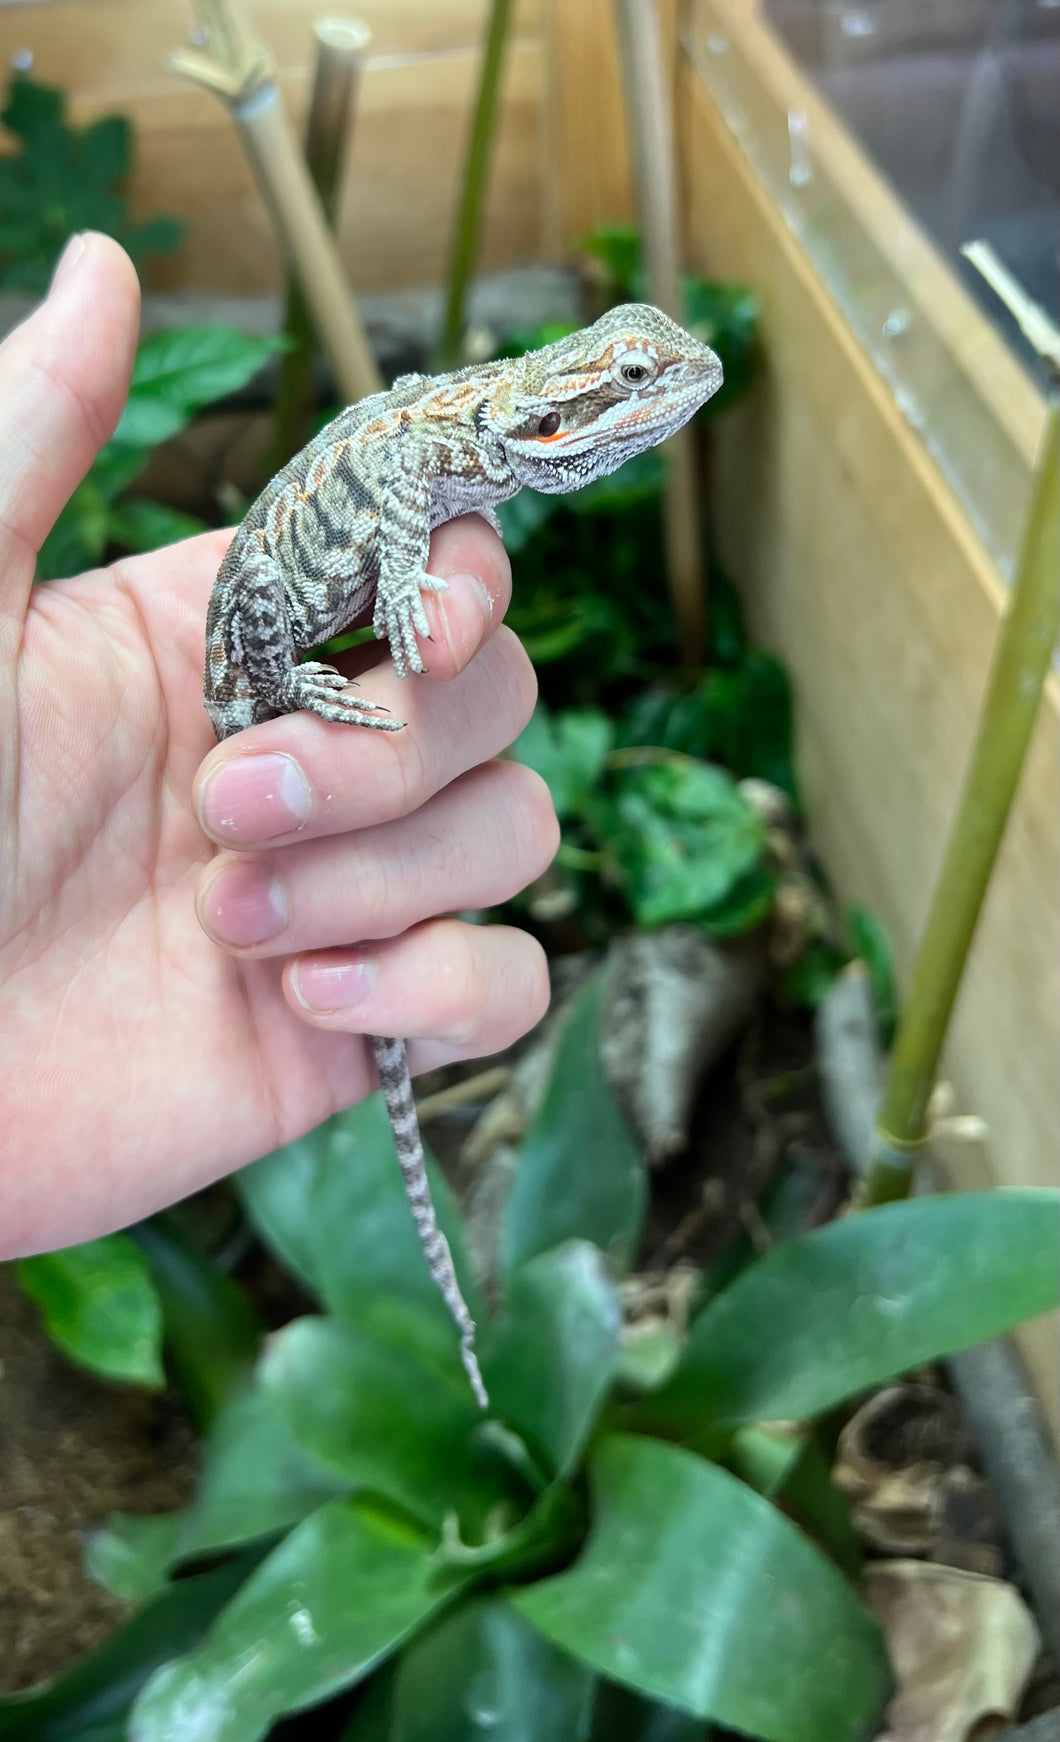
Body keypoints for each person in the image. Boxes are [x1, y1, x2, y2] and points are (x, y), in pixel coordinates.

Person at [0, 234, 557, 1255]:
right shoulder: (461, 438)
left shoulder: (475, 440)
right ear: (564, 410)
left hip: (250, 720)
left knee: (359, 808)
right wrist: (365, 618)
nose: (661, 397)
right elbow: (399, 468)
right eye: (634, 382)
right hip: (254, 643)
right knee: (324, 647)